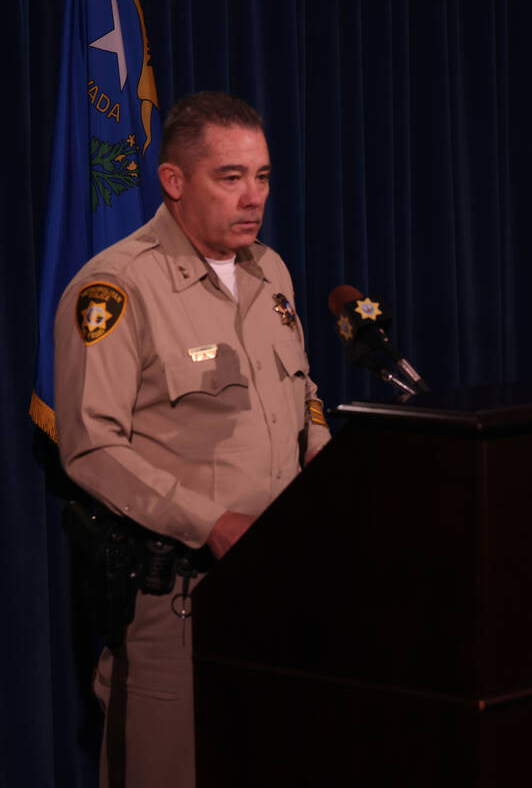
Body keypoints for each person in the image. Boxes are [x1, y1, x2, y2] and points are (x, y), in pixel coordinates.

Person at [53, 91, 331, 788]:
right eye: (230, 177)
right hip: (177, 599)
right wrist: (208, 522)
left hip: (281, 587)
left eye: (262, 176)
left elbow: (305, 403)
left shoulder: (272, 273)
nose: (253, 197)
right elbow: (91, 444)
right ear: (174, 182)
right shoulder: (117, 286)